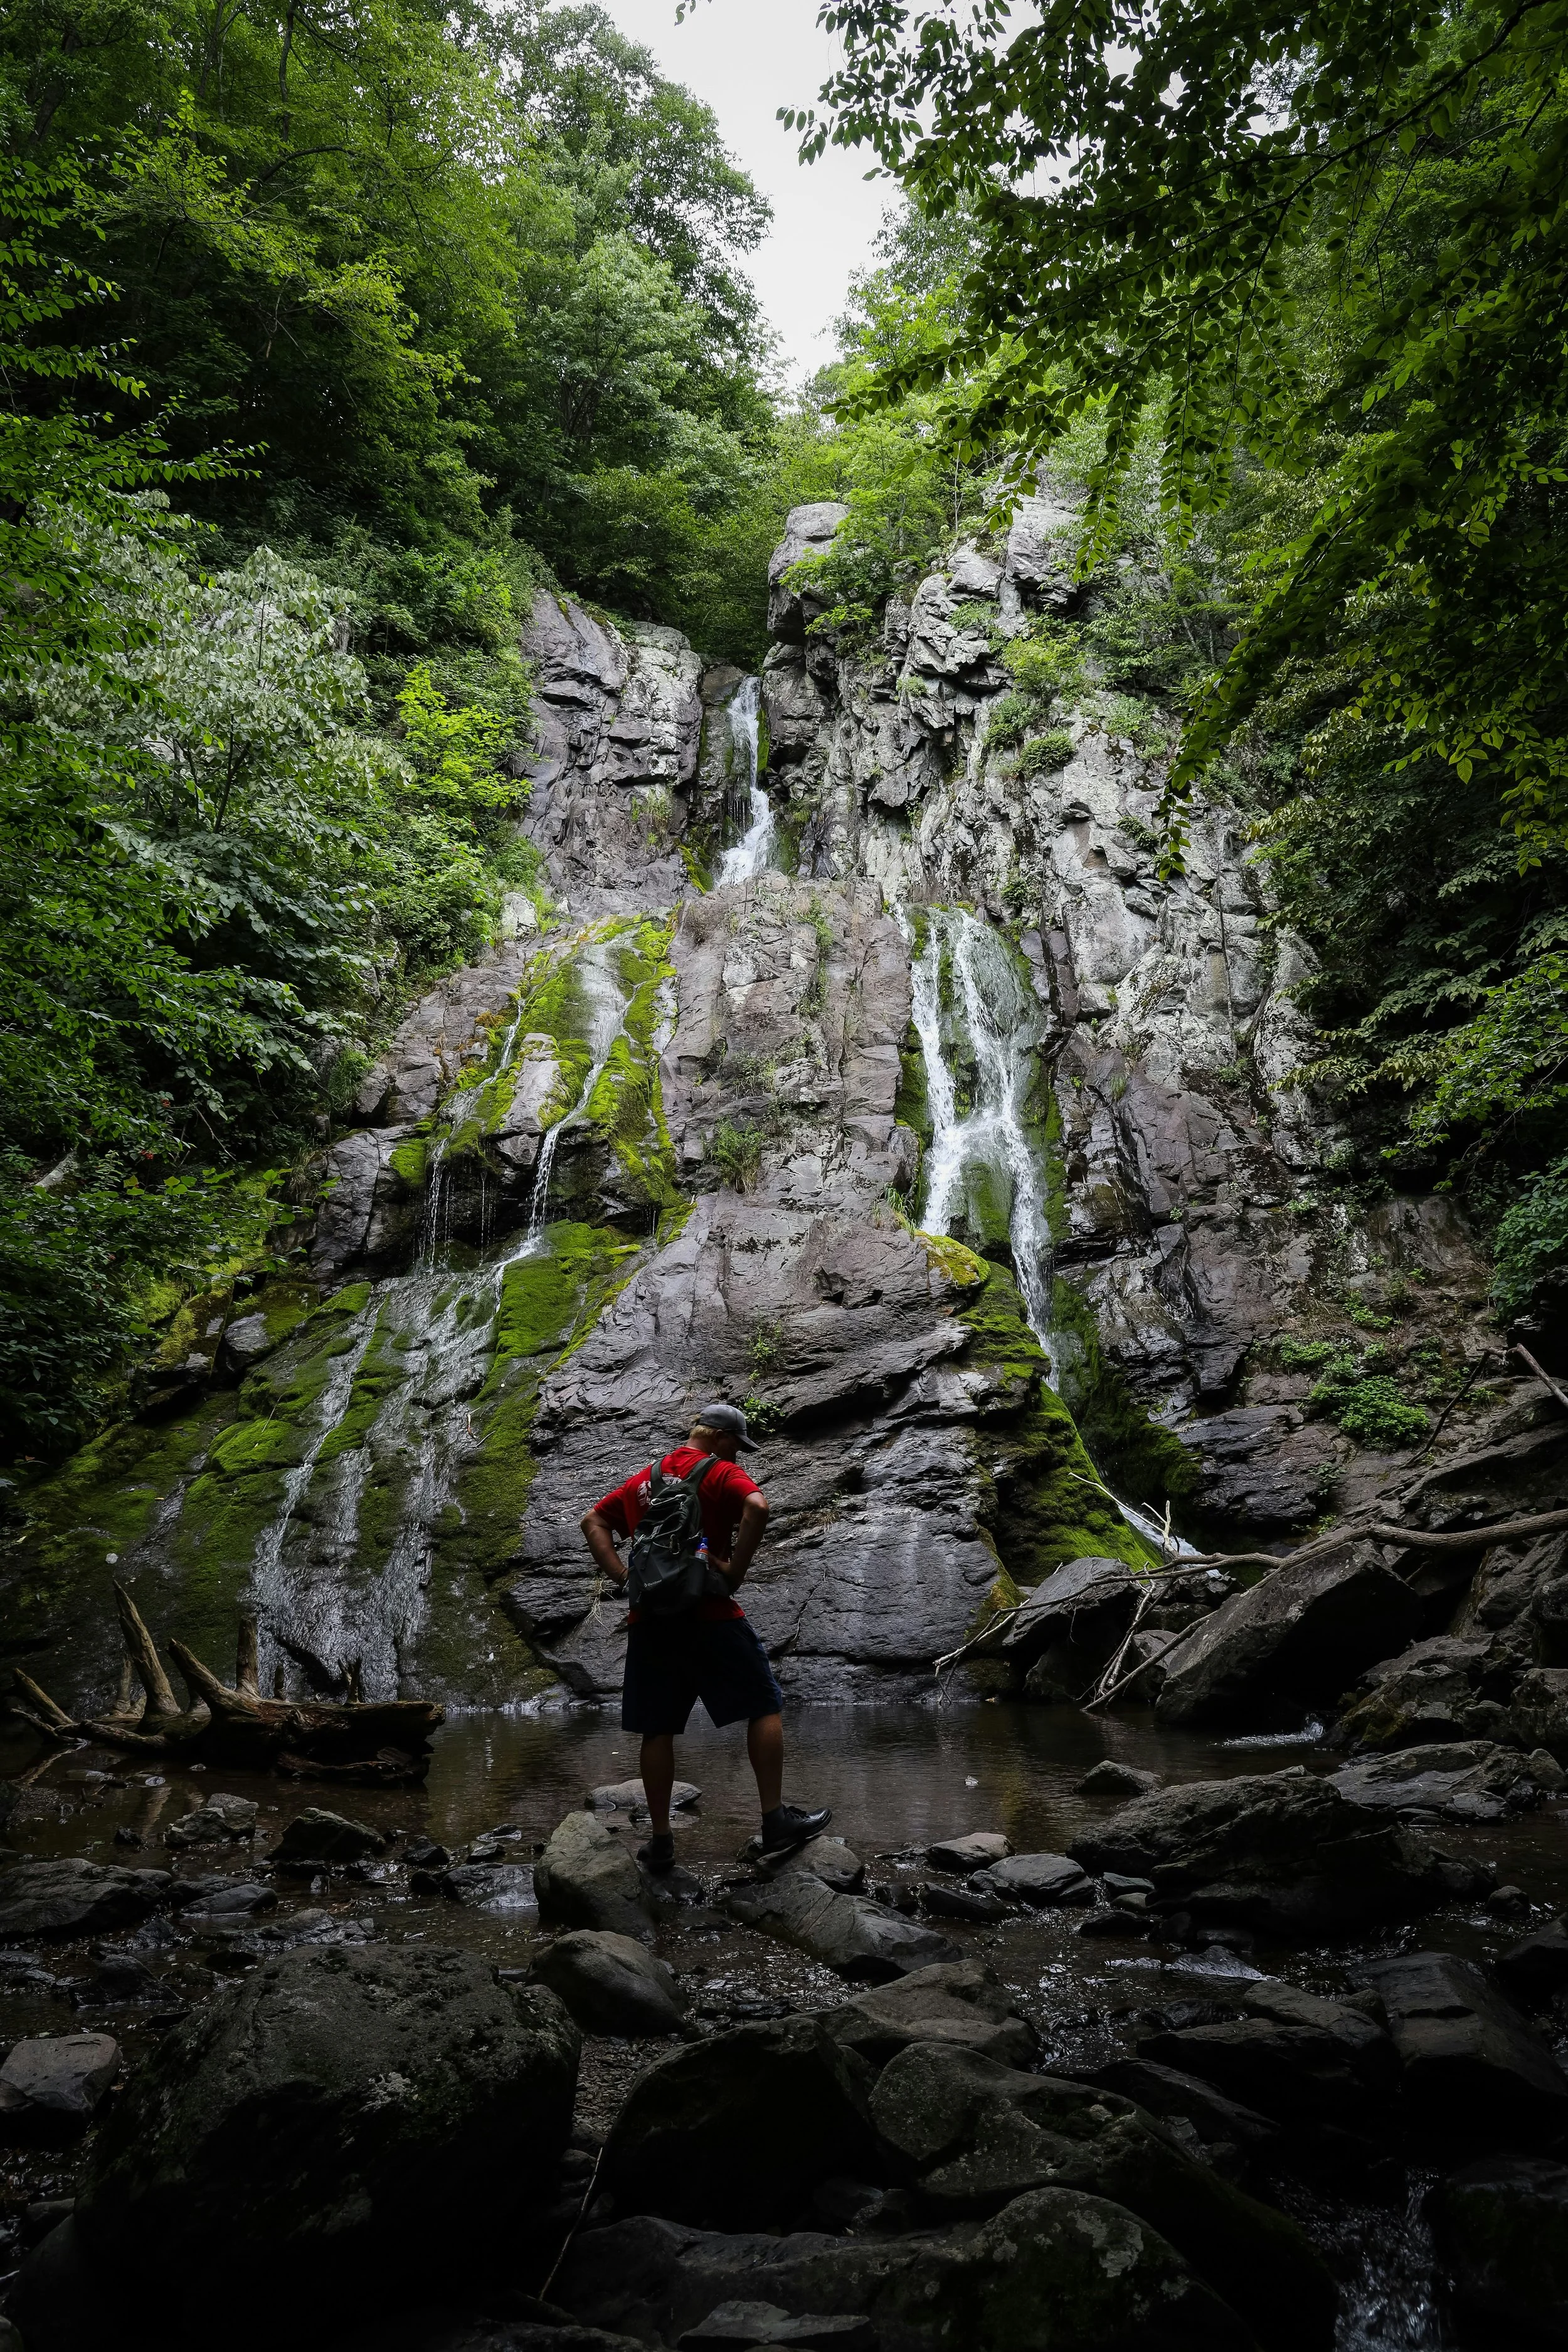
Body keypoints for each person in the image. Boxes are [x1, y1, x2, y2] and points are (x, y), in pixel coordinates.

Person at [580, 1401, 830, 1871]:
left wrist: (622, 1578)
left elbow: (591, 1521)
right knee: (763, 1705)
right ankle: (774, 1820)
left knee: (657, 1729)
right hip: (711, 1612)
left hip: (651, 1620)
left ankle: (661, 1842)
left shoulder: (644, 1480)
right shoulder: (718, 1473)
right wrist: (735, 1569)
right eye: (738, 1446)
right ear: (718, 1436)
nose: (740, 1457)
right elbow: (759, 1505)